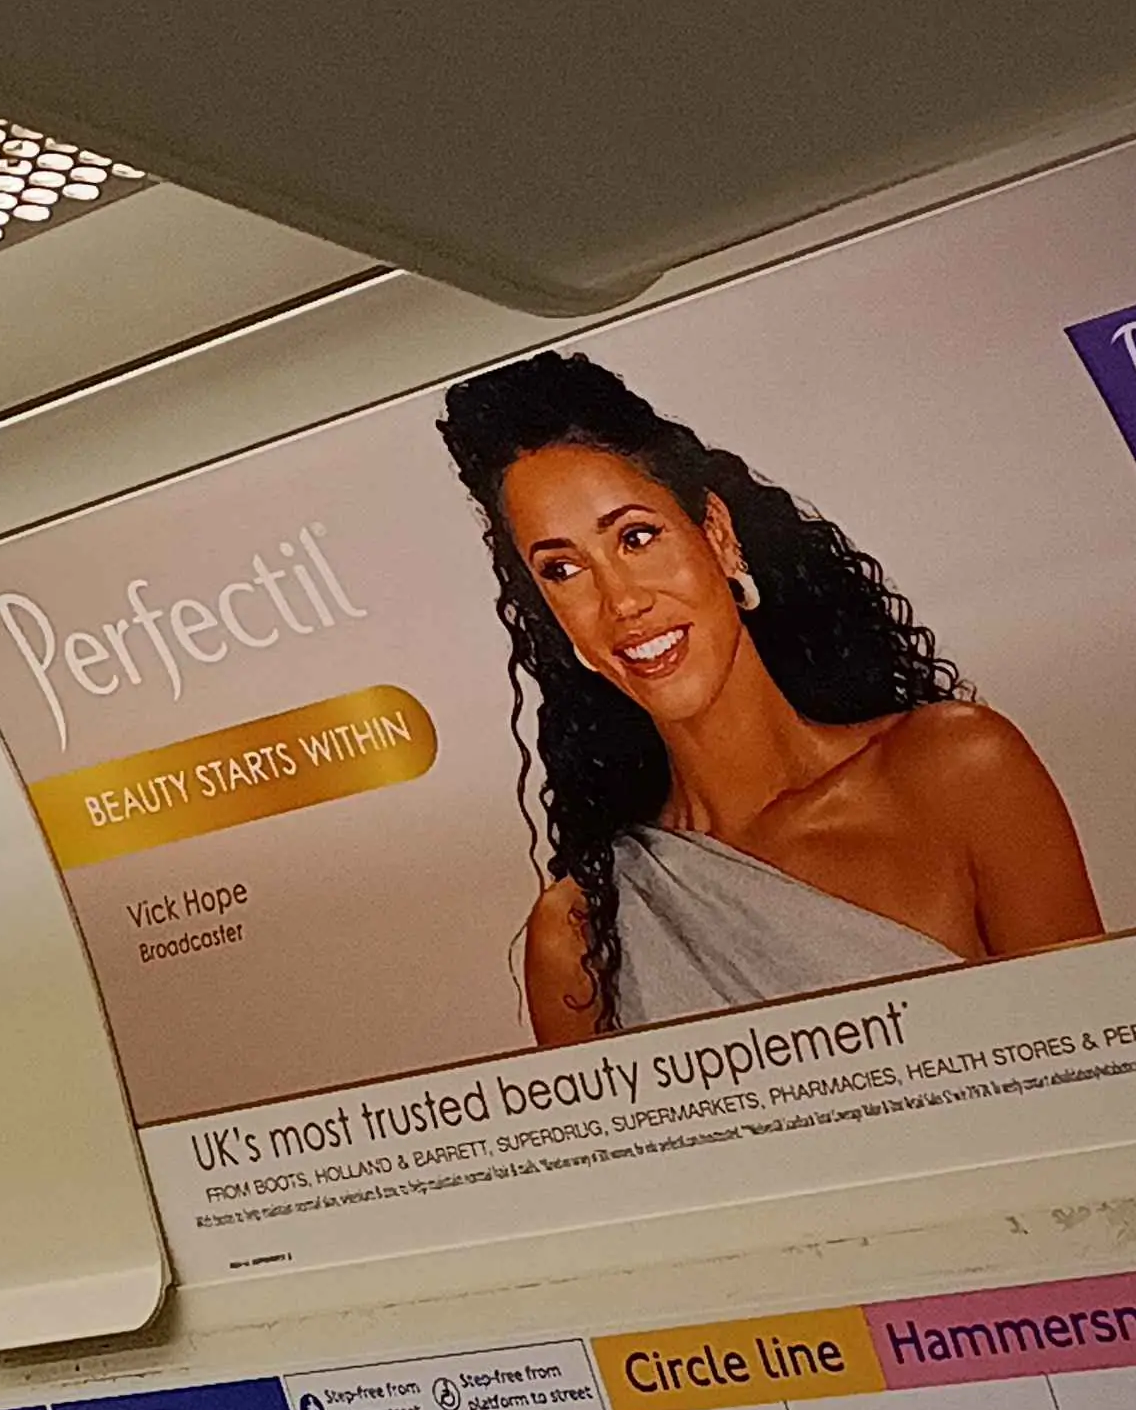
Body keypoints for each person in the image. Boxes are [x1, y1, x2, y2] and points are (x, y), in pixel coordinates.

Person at [437, 351, 1101, 1044]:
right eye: (565, 569)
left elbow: (1119, 1072)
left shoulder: (960, 770)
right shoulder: (578, 934)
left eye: (636, 537)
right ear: (549, 610)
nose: (622, 601)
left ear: (717, 536)